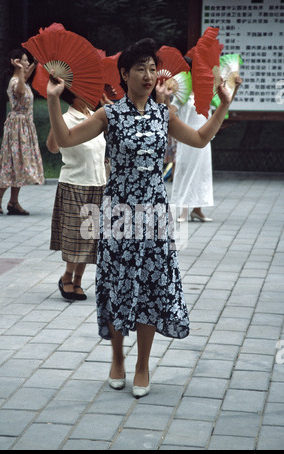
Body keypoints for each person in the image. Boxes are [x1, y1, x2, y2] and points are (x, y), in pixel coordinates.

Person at [46, 38, 241, 398]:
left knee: (151, 287)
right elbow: (65, 139)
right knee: (118, 284)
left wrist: (222, 107)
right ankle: (118, 357)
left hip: (154, 215)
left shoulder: (163, 114)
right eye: (141, 68)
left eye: (153, 68)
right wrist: (55, 99)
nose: (149, 75)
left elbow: (199, 139)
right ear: (124, 73)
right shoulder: (110, 114)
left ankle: (142, 365)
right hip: (117, 213)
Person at [46, 88, 108, 301]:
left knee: (91, 238)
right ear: (75, 94)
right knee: (77, 238)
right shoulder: (66, 118)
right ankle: (67, 277)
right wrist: (56, 117)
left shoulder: (95, 116)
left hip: (98, 184)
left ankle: (79, 280)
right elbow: (52, 147)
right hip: (75, 184)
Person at [0, 49, 44, 216]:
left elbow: (27, 75)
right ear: (16, 62)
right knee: (16, 162)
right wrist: (19, 69)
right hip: (17, 128)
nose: (26, 63)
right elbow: (20, 93)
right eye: (24, 60)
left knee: (20, 163)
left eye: (27, 61)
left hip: (24, 126)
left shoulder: (22, 79)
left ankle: (12, 201)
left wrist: (36, 62)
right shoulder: (15, 81)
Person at [170, 91, 214, 223]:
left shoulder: (206, 93)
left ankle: (197, 210)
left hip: (203, 139)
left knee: (202, 173)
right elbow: (170, 112)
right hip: (186, 136)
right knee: (185, 172)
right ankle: (183, 211)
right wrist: (166, 97)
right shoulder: (182, 94)